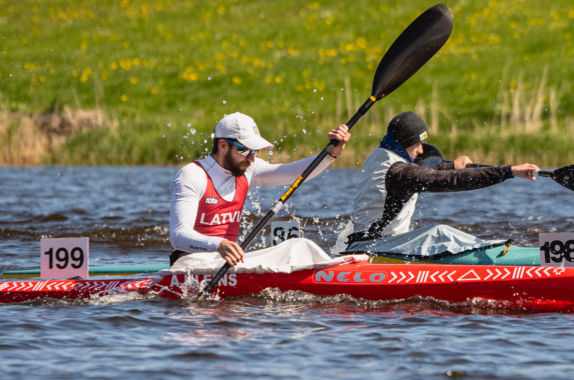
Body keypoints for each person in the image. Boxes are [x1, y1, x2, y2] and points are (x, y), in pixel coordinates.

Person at [169, 112, 351, 266]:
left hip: (226, 262)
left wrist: (331, 152)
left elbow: (294, 173)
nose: (251, 158)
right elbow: (178, 236)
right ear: (223, 145)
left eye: (254, 151)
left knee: (298, 245)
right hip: (190, 262)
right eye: (245, 150)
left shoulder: (248, 170)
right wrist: (219, 244)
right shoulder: (192, 175)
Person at [341, 111, 539, 248]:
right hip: (374, 248)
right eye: (417, 144)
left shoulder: (381, 154)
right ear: (403, 143)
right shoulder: (399, 172)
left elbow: (428, 170)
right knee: (440, 233)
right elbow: (449, 180)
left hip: (376, 242)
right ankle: (494, 253)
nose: (421, 150)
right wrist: (509, 171)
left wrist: (453, 165)